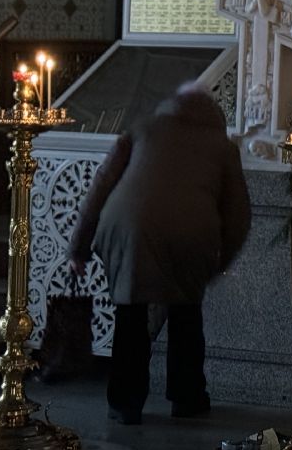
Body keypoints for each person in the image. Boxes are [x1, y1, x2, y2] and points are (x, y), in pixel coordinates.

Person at [68, 84, 250, 424]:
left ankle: (125, 403)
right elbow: (237, 213)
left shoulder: (143, 129)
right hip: (191, 235)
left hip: (127, 228)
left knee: (130, 315)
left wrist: (78, 247)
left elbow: (102, 185)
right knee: (185, 315)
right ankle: (187, 397)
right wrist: (219, 263)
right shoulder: (222, 147)